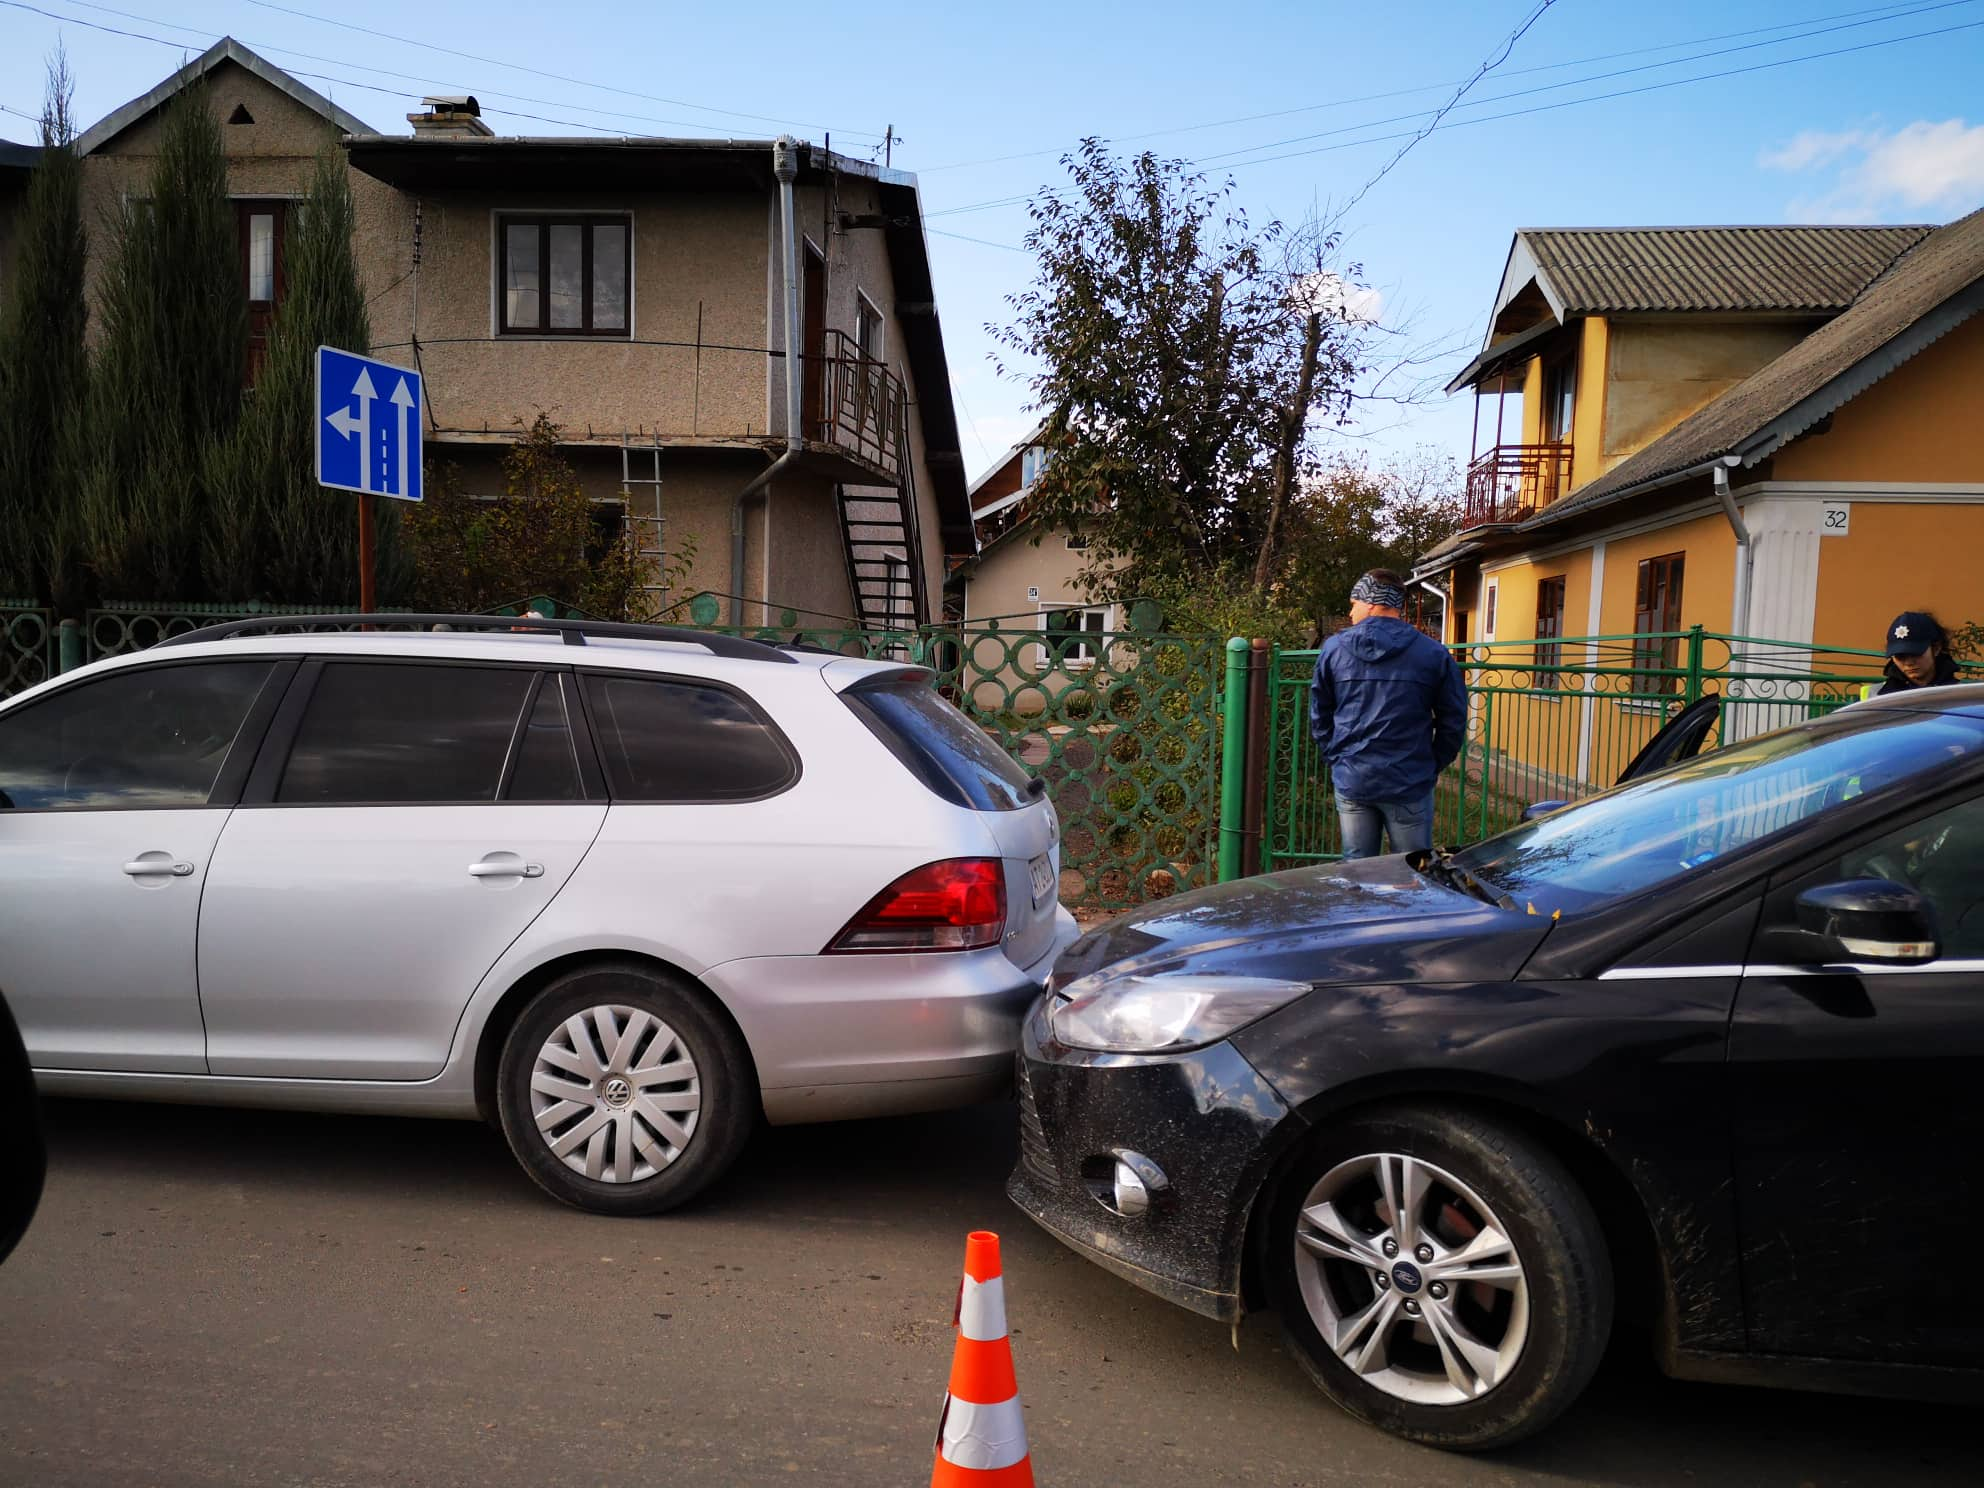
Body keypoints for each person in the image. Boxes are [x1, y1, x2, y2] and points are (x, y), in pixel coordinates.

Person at [1310, 569, 1468, 860]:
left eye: (1353, 602)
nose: (1350, 610)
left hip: (1354, 778)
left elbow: (1320, 714)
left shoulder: (1333, 650)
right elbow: (1454, 720)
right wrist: (1430, 765)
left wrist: (1336, 757)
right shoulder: (1432, 653)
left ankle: (1361, 907)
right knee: (1411, 874)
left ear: (1370, 603)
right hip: (1409, 780)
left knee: (1358, 870)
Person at [1862, 611, 1961, 700]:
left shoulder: (1963, 695)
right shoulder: (1874, 696)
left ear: (1936, 649)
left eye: (1915, 654)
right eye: (1900, 656)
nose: (1908, 662)